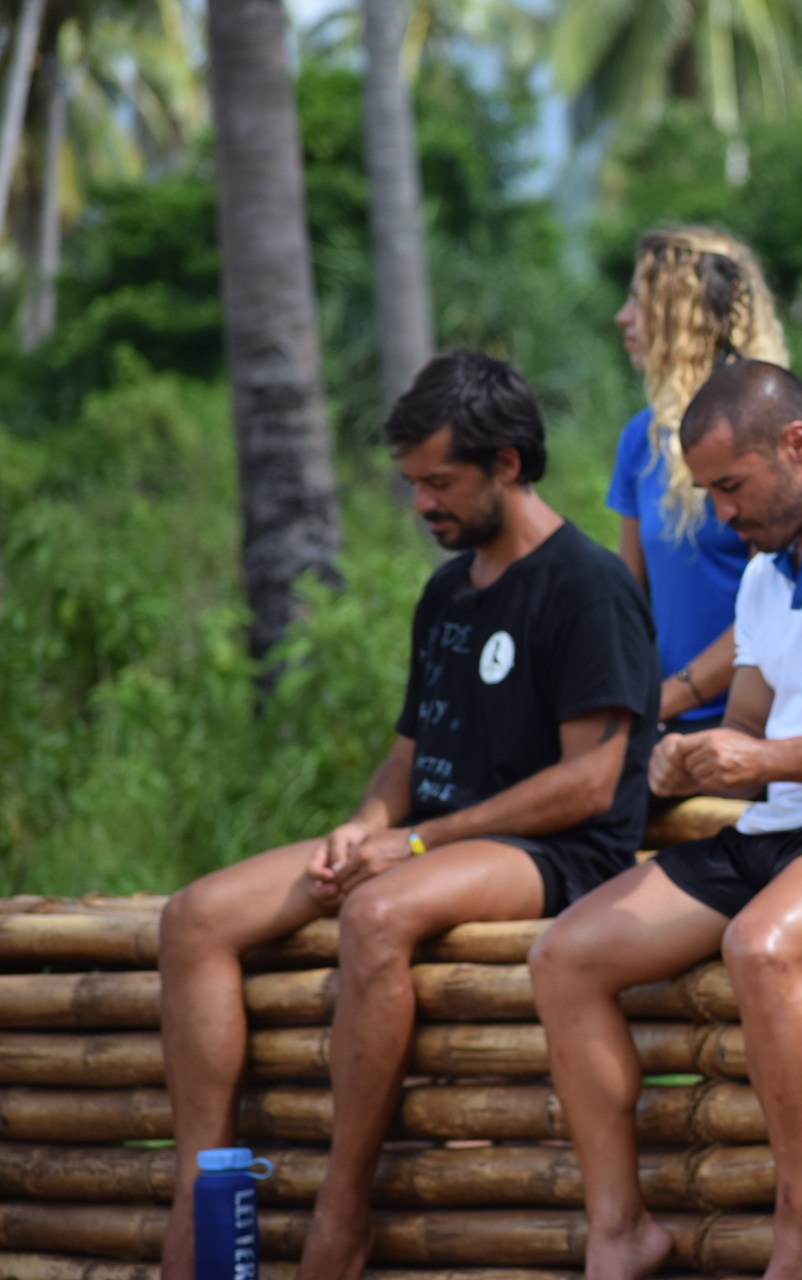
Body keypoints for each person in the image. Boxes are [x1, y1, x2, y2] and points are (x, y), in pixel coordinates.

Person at [156, 351, 660, 1280]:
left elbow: (591, 783)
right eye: (412, 483)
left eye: (440, 482)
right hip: (427, 840)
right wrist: (363, 825)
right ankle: (204, 1191)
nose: (422, 503)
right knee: (193, 919)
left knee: (377, 912)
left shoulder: (588, 586)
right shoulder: (447, 591)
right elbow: (409, 750)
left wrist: (417, 841)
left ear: (507, 464)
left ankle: (342, 1209)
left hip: (555, 854)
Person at [529, 361, 802, 1280]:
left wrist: (761, 762)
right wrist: (688, 755)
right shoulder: (768, 568)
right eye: (710, 492)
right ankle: (620, 1231)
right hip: (785, 823)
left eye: (730, 487)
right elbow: (746, 722)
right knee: (563, 956)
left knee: (761, 949)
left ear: (796, 445)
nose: (721, 513)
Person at [608, 227, 787, 733]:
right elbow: (629, 599)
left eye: (639, 303)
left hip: (750, 721)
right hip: (663, 717)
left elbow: (773, 607)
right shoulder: (642, 438)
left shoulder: (760, 436)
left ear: (682, 319)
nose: (623, 317)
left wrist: (661, 703)